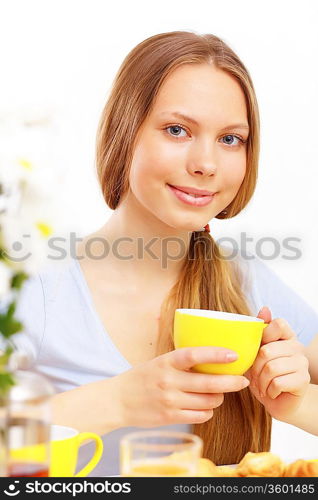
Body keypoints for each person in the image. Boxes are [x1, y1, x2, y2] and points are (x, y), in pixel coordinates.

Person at [4, 31, 318, 476]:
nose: (206, 163)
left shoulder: (245, 281)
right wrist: (119, 400)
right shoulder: (33, 282)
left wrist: (299, 402)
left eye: (231, 139)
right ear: (124, 132)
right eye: (177, 130)